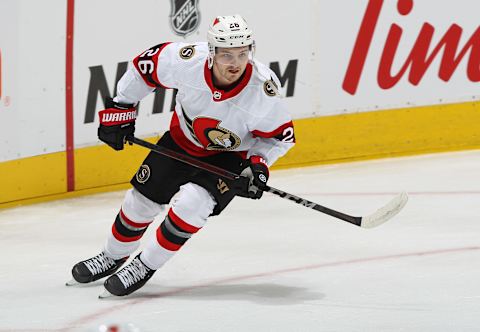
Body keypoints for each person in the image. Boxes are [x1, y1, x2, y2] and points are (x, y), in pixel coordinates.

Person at [68, 14, 296, 297]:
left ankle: (144, 265)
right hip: (180, 142)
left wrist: (258, 165)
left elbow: (279, 136)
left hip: (230, 156)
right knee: (139, 202)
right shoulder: (186, 60)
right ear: (211, 52)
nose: (235, 63)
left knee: (192, 204)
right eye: (226, 54)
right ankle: (112, 256)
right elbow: (144, 68)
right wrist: (121, 107)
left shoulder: (262, 89)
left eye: (242, 53)